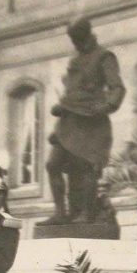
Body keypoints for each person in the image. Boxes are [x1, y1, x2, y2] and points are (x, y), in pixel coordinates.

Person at [43, 17, 126, 224]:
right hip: (69, 120)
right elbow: (72, 91)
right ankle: (60, 212)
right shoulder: (75, 59)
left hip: (91, 122)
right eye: (73, 39)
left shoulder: (104, 56)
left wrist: (107, 106)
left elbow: (117, 87)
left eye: (77, 38)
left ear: (86, 35)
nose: (75, 43)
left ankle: (86, 215)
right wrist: (62, 106)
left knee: (87, 167)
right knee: (53, 164)